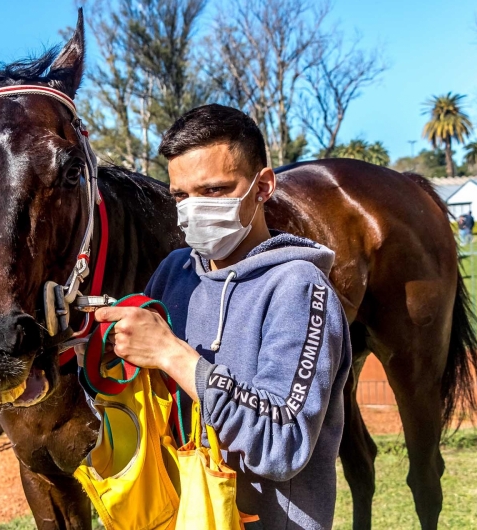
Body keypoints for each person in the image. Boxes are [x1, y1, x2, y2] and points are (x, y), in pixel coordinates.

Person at [91, 104, 352, 529]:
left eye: (214, 190)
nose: (194, 209)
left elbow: (280, 443)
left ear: (263, 186)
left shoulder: (299, 289)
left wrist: (172, 355)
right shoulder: (174, 272)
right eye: (181, 195)